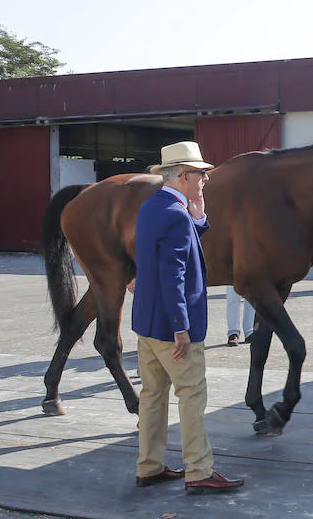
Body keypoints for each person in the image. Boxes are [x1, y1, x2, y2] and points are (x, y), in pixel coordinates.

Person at [131, 141, 244, 494]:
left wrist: (198, 219)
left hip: (147, 324)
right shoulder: (175, 215)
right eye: (201, 174)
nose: (205, 180)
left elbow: (168, 249)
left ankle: (148, 466)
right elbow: (174, 273)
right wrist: (181, 327)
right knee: (192, 395)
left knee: (152, 396)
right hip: (172, 327)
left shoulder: (154, 207)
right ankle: (198, 470)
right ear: (183, 176)